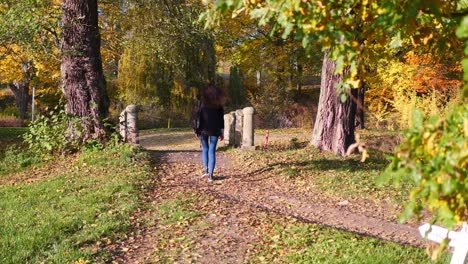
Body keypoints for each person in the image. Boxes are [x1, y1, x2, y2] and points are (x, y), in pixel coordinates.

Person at [197, 84, 225, 182]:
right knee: (212, 150)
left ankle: (205, 170)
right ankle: (211, 175)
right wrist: (222, 131)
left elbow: (199, 118)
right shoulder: (219, 104)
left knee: (205, 149)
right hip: (215, 130)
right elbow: (221, 119)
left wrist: (197, 130)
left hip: (204, 130)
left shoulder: (202, 103)